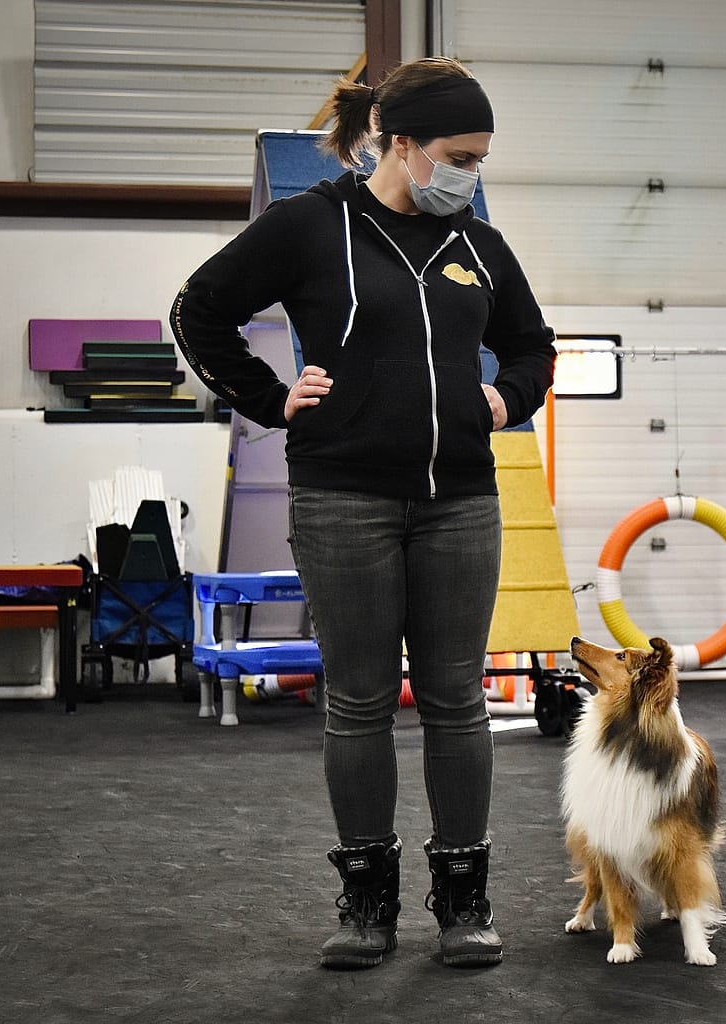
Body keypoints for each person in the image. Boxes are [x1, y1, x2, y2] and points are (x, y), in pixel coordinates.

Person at [169, 56, 556, 969]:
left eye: (482, 157)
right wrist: (269, 399)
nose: (472, 173)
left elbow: (532, 349)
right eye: (459, 155)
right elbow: (199, 310)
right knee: (360, 702)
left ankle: (464, 904)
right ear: (403, 145)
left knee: (459, 700)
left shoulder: (479, 248)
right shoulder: (311, 225)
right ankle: (366, 907)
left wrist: (507, 400)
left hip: (460, 501)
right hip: (343, 500)